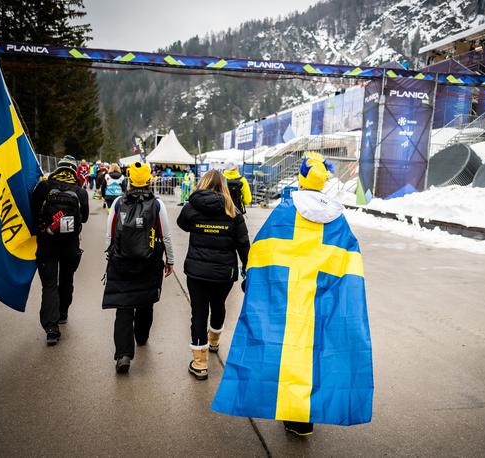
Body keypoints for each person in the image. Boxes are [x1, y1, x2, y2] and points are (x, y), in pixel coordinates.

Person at [211, 154, 373, 437]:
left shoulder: (285, 212)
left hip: (285, 296)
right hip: (320, 298)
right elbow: (350, 260)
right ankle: (304, 417)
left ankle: (288, 409)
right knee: (314, 354)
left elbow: (262, 251)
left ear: (300, 178)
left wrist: (256, 282)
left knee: (284, 353)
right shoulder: (337, 219)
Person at [177, 169, 250, 381]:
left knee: (198, 312)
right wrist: (248, 267)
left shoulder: (192, 206)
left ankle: (200, 364)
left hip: (197, 272)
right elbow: (243, 244)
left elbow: (182, 224)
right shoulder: (232, 210)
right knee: (218, 305)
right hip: (223, 273)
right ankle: (215, 342)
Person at [102, 162, 175, 373]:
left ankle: (123, 354)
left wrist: (110, 257)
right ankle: (141, 337)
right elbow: (166, 236)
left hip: (122, 261)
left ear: (130, 180)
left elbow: (109, 234)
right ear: (149, 180)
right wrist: (170, 260)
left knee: (123, 307)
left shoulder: (117, 203)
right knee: (145, 300)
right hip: (149, 261)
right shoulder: (157, 204)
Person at [30, 155, 90, 345]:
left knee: (49, 285)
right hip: (70, 245)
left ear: (58, 169)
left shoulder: (44, 187)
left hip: (47, 243)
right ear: (73, 171)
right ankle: (62, 312)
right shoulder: (80, 191)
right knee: (66, 280)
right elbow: (85, 217)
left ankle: (51, 328)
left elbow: (31, 209)